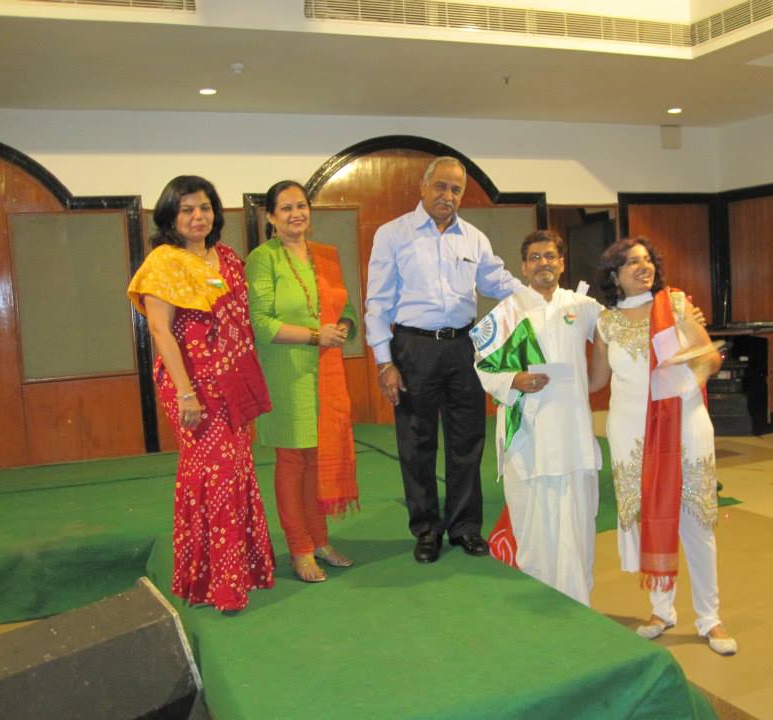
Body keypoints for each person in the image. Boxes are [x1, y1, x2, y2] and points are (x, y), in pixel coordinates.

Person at [127, 175, 275, 612]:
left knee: (238, 470)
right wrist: (186, 393)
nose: (198, 217)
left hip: (232, 381)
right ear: (170, 216)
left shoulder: (226, 258)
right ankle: (217, 583)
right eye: (187, 209)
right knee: (214, 474)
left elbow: (240, 322)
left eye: (205, 207)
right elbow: (160, 330)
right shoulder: (164, 262)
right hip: (193, 386)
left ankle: (241, 571)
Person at [365, 156, 523, 563]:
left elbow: (496, 281)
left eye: (456, 189)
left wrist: (542, 297)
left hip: (462, 346)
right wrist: (384, 362)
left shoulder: (474, 239)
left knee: (467, 439)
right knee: (416, 442)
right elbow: (378, 302)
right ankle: (426, 530)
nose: (447, 196)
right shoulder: (392, 234)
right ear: (423, 187)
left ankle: (465, 527)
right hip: (413, 348)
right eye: (440, 186)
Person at [589, 236, 737, 655]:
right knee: (647, 518)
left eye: (647, 260)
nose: (643, 267)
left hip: (682, 425)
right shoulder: (605, 323)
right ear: (614, 276)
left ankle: (710, 617)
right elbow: (596, 381)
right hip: (631, 432)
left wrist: (688, 372)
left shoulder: (674, 305)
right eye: (631, 262)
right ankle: (661, 610)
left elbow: (710, 358)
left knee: (696, 519)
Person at [472, 230, 602, 605]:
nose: (543, 263)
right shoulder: (508, 310)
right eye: (535, 257)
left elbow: (621, 331)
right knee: (533, 524)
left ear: (562, 263)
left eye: (550, 256)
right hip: (527, 436)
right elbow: (482, 365)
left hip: (573, 436)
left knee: (577, 521)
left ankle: (578, 599)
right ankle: (539, 595)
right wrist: (514, 379)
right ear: (524, 266)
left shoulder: (582, 305)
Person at [245, 180, 359, 583]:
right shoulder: (263, 259)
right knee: (293, 461)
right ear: (271, 217)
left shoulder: (325, 256)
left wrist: (343, 327)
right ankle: (299, 548)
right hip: (286, 373)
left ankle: (320, 541)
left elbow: (346, 309)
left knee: (316, 460)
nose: (296, 214)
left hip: (325, 375)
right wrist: (314, 336)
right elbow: (261, 323)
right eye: (286, 208)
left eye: (302, 206)